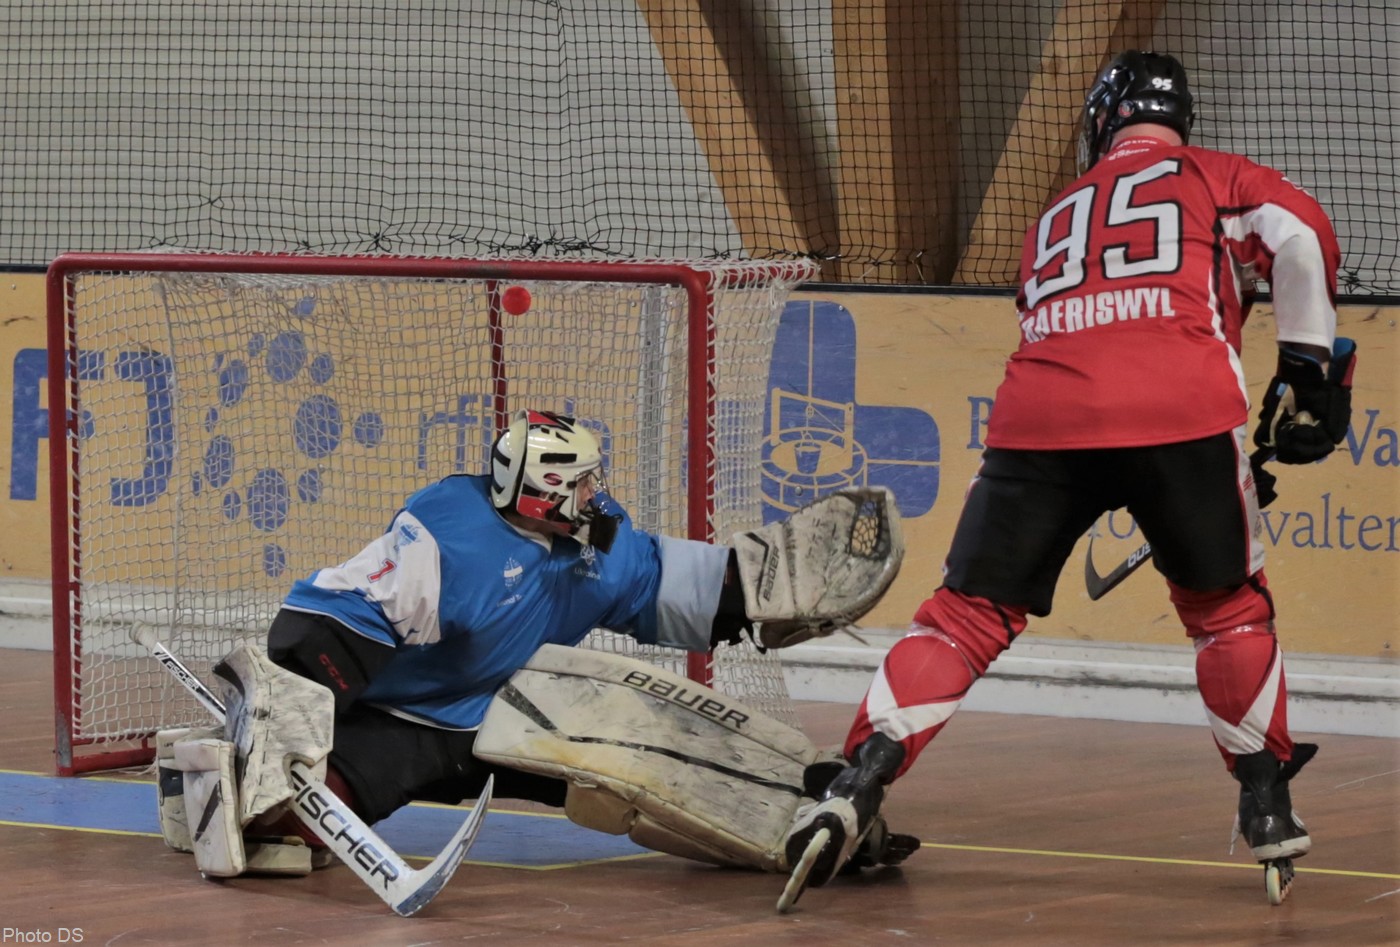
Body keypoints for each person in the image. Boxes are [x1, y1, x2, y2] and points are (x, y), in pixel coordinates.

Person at [783, 50, 1355, 908]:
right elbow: (1301, 235)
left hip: (1039, 418)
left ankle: (856, 780)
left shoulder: (1055, 210)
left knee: (964, 618)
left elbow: (1065, 318)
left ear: (1102, 122)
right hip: (1182, 411)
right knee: (1227, 611)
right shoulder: (1217, 176)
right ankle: (1266, 798)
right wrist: (1307, 372)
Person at [167, 408, 909, 883]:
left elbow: (655, 580)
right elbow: (326, 618)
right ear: (544, 489)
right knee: (294, 821)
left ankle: (816, 822)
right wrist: (299, 712)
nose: (595, 494)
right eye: (581, 484)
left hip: (517, 705)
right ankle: (216, 782)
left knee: (650, 773)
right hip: (403, 718)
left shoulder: (596, 543)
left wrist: (751, 588)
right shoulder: (448, 536)